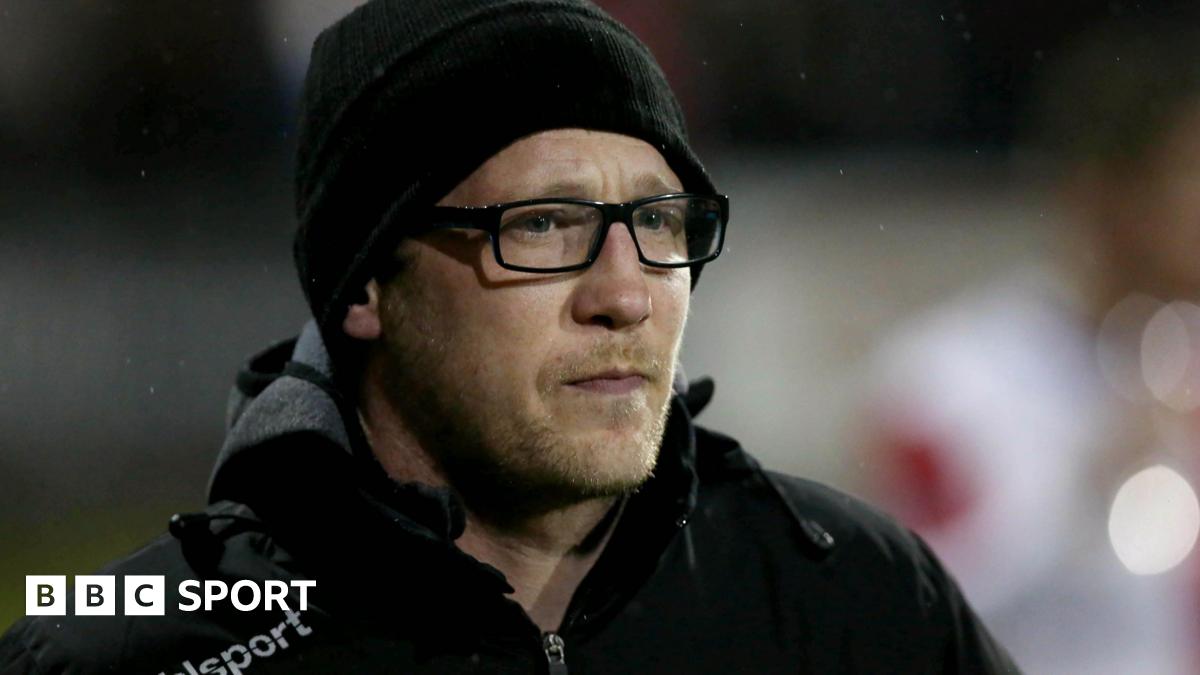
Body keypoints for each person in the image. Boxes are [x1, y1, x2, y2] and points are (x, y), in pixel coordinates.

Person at [0, 1, 1016, 672]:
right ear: (366, 284)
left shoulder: (854, 592)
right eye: (543, 225)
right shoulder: (127, 645)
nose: (625, 295)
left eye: (659, 221)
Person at [860, 14, 1200, 675]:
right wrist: (1087, 493)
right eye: (1191, 175)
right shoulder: (946, 379)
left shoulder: (1183, 362)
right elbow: (911, 612)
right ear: (1105, 192)